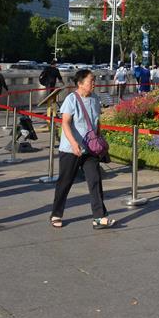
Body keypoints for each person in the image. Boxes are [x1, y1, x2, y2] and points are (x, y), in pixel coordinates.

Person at [50, 69, 116, 229]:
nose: (94, 83)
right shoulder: (71, 99)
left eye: (94, 80)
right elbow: (65, 122)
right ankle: (56, 214)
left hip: (89, 149)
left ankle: (99, 217)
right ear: (80, 84)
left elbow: (96, 120)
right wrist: (73, 143)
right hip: (70, 149)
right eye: (90, 81)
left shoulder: (94, 98)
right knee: (65, 182)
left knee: (95, 180)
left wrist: (99, 138)